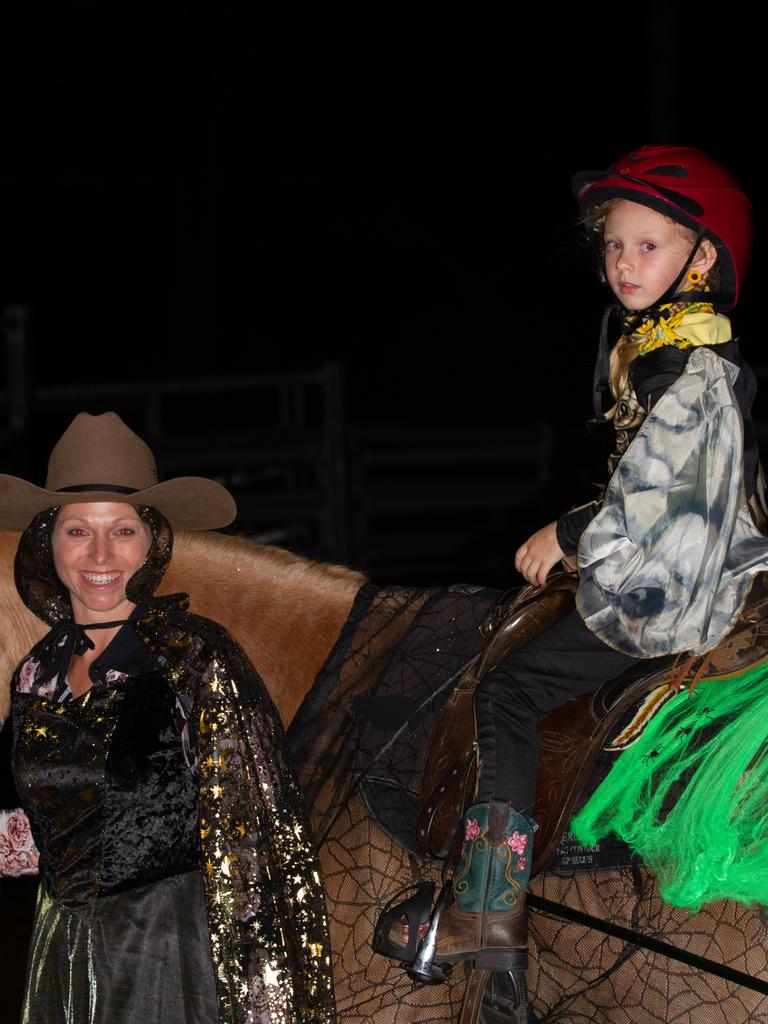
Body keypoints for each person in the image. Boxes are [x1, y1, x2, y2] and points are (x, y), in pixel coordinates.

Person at [419, 146, 768, 977]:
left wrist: (570, 534)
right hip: (685, 561)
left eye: (648, 245)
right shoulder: (669, 346)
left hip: (676, 585)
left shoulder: (692, 366)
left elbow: (658, 495)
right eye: (614, 246)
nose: (624, 264)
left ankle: (489, 901)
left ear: (702, 257)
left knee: (508, 690)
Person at [0, 412, 335, 1024]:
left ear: (153, 542)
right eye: (78, 531)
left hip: (168, 958)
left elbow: (259, 842)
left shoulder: (194, 657)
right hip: (63, 960)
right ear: (46, 543)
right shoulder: (34, 675)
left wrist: (264, 1002)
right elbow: (34, 835)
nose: (100, 554)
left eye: (122, 530)